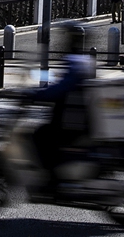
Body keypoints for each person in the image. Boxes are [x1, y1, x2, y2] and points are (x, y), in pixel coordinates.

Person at [31, 22, 96, 186]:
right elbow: (62, 80)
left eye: (66, 37)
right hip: (78, 118)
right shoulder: (84, 59)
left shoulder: (75, 60)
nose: (63, 42)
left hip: (71, 121)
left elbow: (62, 87)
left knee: (40, 135)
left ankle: (51, 178)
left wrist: (38, 95)